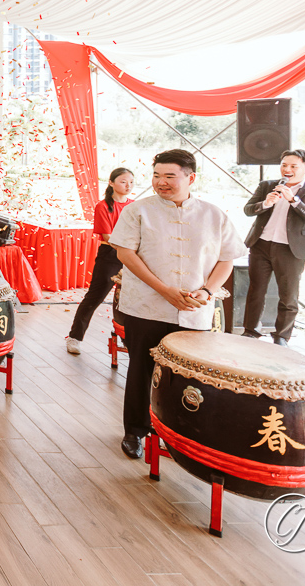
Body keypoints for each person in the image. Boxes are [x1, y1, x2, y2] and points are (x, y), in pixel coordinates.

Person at [109, 150, 245, 460]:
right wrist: (164, 290)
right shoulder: (138, 211)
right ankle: (136, 430)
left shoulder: (214, 215)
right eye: (156, 175)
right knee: (142, 369)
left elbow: (227, 258)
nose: (161, 182)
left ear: (190, 177)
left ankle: (177, 433)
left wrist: (208, 291)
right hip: (145, 306)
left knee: (187, 373)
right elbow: (125, 255)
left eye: (169, 176)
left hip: (196, 308)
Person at [241, 148, 305, 346]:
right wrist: (265, 203)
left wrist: (293, 200)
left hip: (291, 249)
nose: (287, 169)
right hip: (261, 245)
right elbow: (248, 210)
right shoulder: (267, 186)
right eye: (284, 165)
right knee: (256, 290)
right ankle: (250, 331)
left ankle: (281, 337)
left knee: (288, 295)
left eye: (293, 166)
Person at [65, 167, 135, 355]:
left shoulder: (134, 205)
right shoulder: (103, 206)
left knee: (129, 300)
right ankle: (74, 337)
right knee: (95, 297)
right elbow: (108, 236)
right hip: (110, 255)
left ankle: (128, 340)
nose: (128, 186)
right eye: (123, 181)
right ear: (111, 182)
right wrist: (129, 247)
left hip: (132, 256)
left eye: (131, 182)